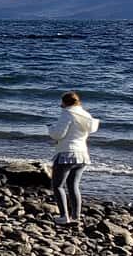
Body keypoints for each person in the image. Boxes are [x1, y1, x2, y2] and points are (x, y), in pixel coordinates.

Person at [48, 91, 99, 226]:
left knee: (57, 185)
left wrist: (50, 129)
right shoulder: (85, 115)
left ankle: (64, 216)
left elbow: (58, 134)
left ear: (65, 102)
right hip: (82, 154)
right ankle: (76, 216)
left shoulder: (67, 114)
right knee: (73, 186)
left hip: (67, 153)